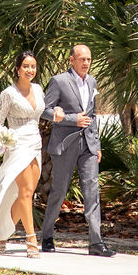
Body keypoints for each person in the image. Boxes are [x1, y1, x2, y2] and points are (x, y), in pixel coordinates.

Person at [39, 43, 115, 257]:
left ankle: (96, 243)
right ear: (71, 60)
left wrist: (97, 144)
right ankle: (46, 236)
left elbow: (92, 116)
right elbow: (45, 110)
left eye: (89, 59)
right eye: (82, 59)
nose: (86, 63)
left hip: (88, 146)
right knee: (59, 191)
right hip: (64, 145)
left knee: (92, 192)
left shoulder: (92, 81)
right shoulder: (59, 81)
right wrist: (72, 119)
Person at [0, 51, 43, 257]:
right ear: (18, 69)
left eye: (33, 66)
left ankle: (3, 234)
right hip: (18, 144)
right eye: (26, 66)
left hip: (36, 142)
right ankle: (31, 239)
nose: (30, 70)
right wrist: (5, 139)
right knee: (26, 192)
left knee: (27, 194)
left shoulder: (38, 89)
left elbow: (39, 115)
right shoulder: (8, 94)